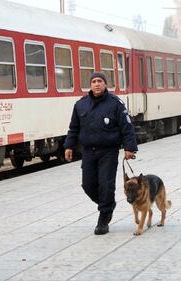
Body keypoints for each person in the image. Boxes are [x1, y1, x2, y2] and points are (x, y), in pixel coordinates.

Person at [63, 72, 138, 235]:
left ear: (105, 85)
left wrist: (129, 148)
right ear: (90, 85)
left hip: (108, 152)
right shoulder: (81, 105)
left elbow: (126, 127)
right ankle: (108, 204)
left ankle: (103, 218)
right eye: (94, 81)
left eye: (100, 81)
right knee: (88, 185)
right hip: (88, 151)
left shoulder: (115, 104)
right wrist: (69, 146)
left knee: (106, 184)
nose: (96, 84)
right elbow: (73, 128)